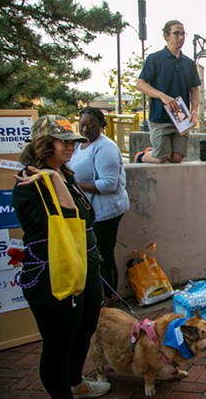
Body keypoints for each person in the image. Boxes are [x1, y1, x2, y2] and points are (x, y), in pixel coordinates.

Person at [11, 115, 110, 398]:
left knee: (84, 329)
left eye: (73, 142)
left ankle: (76, 383)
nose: (70, 147)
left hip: (85, 267)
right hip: (54, 275)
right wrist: (54, 179)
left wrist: (59, 177)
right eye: (63, 142)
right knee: (58, 343)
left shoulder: (64, 175)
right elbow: (71, 220)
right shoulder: (31, 184)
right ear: (44, 144)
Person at [68, 108, 130, 308]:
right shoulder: (79, 145)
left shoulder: (106, 148)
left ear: (102, 126)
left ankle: (110, 300)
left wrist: (74, 185)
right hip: (88, 211)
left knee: (104, 255)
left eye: (91, 126)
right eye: (82, 125)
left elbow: (108, 185)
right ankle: (96, 297)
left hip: (106, 212)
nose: (85, 129)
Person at [135, 19, 201, 163]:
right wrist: (162, 96)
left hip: (181, 117)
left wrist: (195, 109)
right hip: (160, 116)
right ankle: (141, 156)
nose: (181, 37)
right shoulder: (154, 59)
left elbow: (194, 89)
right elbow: (140, 84)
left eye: (183, 34)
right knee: (160, 158)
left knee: (177, 158)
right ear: (166, 36)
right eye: (176, 33)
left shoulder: (189, 63)